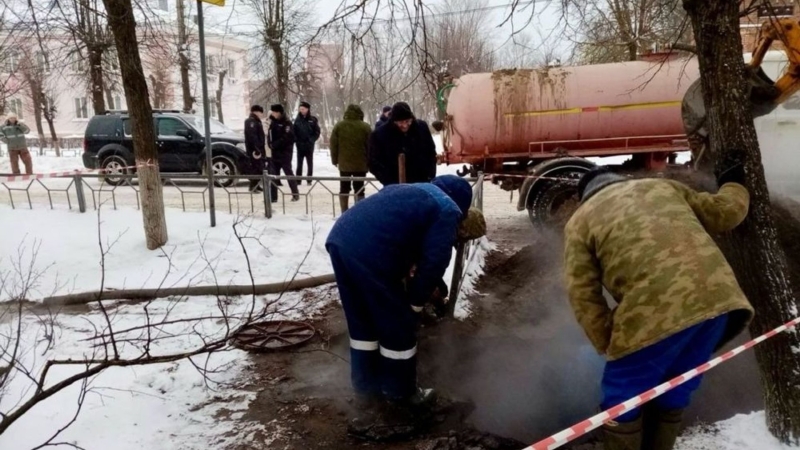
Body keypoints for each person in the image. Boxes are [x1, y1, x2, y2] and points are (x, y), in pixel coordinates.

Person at [563, 164, 755, 450]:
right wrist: (734, 183)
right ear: (618, 180)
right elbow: (724, 213)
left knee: (621, 398)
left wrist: (607, 342)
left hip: (653, 313)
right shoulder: (663, 187)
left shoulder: (580, 221)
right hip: (720, 302)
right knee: (677, 386)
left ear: (585, 196)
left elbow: (582, 291)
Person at [325, 175, 473, 417]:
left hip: (340, 239)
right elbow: (434, 263)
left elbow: (402, 235)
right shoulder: (447, 209)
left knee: (362, 323)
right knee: (399, 327)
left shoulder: (414, 190)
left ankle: (366, 391)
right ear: (462, 205)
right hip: (372, 252)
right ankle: (401, 395)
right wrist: (415, 305)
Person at [368, 102, 437, 186]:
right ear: (394, 121)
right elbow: (373, 162)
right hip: (395, 185)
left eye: (408, 121)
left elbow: (431, 152)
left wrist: (430, 175)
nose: (405, 125)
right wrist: (389, 181)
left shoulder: (421, 128)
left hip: (422, 182)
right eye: (400, 123)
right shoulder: (380, 134)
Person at [330, 104, 371, 213]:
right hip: (361, 164)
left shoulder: (339, 126)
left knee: (344, 187)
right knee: (359, 188)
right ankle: (359, 211)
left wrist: (334, 160)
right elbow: (370, 146)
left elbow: (334, 145)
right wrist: (369, 161)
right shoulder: (365, 127)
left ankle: (344, 211)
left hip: (344, 164)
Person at [268, 104, 299, 201]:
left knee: (288, 173)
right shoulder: (273, 122)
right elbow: (270, 134)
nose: (273, 114)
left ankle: (295, 194)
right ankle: (273, 197)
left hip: (285, 153)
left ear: (279, 112)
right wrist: (270, 143)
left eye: (274, 112)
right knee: (273, 175)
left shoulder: (287, 123)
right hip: (275, 153)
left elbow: (287, 137)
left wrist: (276, 144)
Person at [293, 101, 320, 186]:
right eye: (300, 109)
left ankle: (309, 179)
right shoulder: (297, 120)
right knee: (299, 163)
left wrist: (311, 140)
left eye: (303, 109)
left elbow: (317, 132)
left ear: (307, 109)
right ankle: (298, 179)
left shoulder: (312, 120)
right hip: (300, 145)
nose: (301, 110)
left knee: (310, 163)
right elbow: (294, 132)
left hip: (309, 145)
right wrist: (297, 141)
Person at [244, 105, 267, 192]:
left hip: (259, 148)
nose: (261, 114)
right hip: (254, 150)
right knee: (255, 168)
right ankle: (252, 186)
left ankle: (256, 185)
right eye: (260, 112)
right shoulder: (251, 122)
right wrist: (256, 149)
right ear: (256, 112)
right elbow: (252, 136)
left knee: (259, 168)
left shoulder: (257, 121)